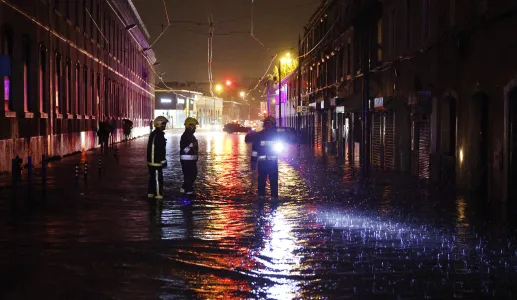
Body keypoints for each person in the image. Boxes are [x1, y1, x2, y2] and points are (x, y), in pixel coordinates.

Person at [251, 116, 279, 200]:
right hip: (262, 163)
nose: (268, 126)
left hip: (272, 164)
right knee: (261, 181)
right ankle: (261, 198)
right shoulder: (259, 135)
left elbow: (280, 147)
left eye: (269, 124)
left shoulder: (276, 135)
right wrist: (253, 162)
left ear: (273, 125)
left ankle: (274, 198)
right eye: (267, 124)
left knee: (273, 181)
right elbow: (255, 150)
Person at [147, 116, 168, 199]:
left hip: (151, 161)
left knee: (152, 178)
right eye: (163, 124)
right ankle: (158, 194)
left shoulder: (153, 134)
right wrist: (163, 161)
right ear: (159, 124)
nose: (164, 126)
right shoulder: (159, 135)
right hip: (156, 161)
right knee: (157, 178)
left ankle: (151, 193)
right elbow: (160, 149)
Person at [180, 117, 199, 195]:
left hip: (191, 159)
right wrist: (191, 146)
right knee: (190, 175)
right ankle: (187, 190)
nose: (195, 128)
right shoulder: (186, 136)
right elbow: (184, 149)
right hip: (187, 160)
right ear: (190, 126)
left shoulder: (190, 135)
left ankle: (185, 188)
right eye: (194, 126)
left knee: (191, 175)